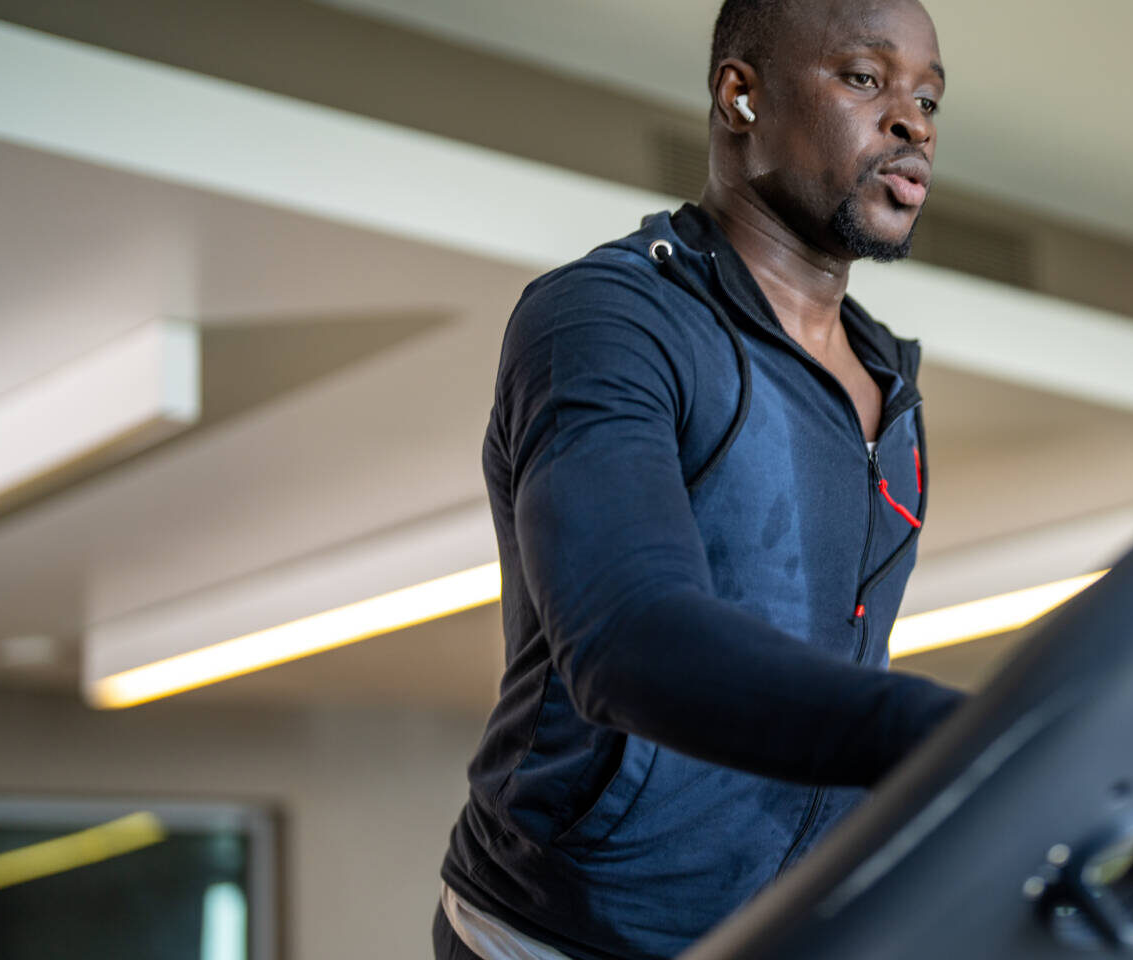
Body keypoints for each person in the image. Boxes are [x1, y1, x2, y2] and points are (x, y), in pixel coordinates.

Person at [434, 1, 960, 957]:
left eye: (927, 97)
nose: (912, 121)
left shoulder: (891, 383)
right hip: (560, 933)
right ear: (740, 95)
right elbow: (627, 638)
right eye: (864, 79)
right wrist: (938, 734)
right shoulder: (610, 319)